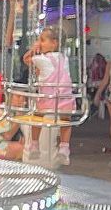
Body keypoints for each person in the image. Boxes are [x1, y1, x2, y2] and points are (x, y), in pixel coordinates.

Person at [22, 25, 76, 166]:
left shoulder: (42, 59)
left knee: (37, 117)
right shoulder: (64, 58)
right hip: (65, 98)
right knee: (66, 121)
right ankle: (64, 147)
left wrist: (33, 49)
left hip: (48, 99)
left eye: (42, 40)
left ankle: (34, 145)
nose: (39, 43)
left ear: (54, 43)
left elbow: (26, 59)